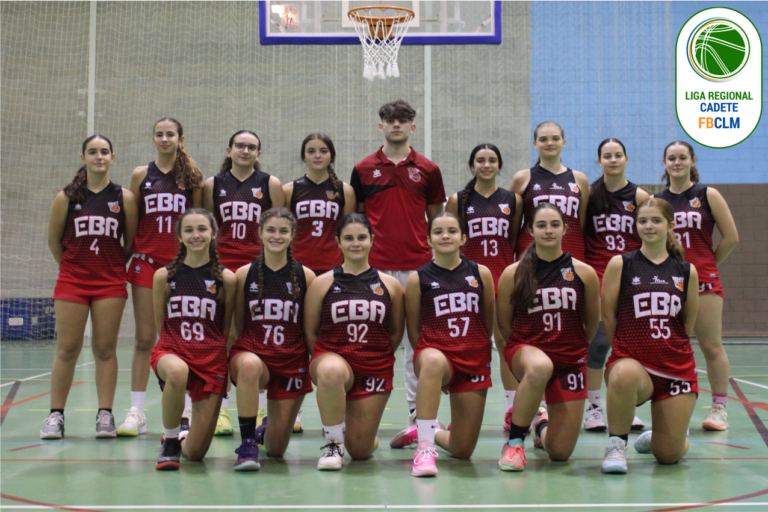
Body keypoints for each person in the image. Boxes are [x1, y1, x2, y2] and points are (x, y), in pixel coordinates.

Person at [351, 99, 445, 424]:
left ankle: (418, 417)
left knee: (415, 343)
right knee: (372, 343)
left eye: (403, 120)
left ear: (412, 127)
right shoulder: (363, 169)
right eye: (390, 120)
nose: (396, 125)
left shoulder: (429, 170)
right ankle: (360, 413)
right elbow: (357, 222)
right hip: (374, 271)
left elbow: (437, 221)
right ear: (381, 125)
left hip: (417, 269)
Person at [41, 135, 137, 439]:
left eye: (104, 152)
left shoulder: (124, 197)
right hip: (72, 280)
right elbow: (54, 241)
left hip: (110, 281)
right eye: (92, 152)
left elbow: (130, 242)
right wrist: (72, 266)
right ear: (83, 157)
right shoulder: (66, 197)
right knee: (67, 347)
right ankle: (55, 415)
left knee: (105, 348)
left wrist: (109, 267)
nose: (99, 156)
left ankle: (105, 414)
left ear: (113, 157)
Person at [389, 213, 496, 477]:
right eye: (438, 232)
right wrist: (429, 366)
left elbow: (488, 319)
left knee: (462, 449)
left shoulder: (480, 273)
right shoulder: (418, 278)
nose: (445, 236)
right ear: (428, 240)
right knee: (433, 361)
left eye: (451, 231)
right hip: (437, 355)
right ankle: (424, 449)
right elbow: (413, 328)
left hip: (472, 359)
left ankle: (428, 432)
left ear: (463, 238)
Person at [495, 202, 600, 472]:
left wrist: (572, 348)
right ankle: (514, 443)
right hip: (527, 350)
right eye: (541, 225)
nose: (548, 230)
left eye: (555, 224)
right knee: (540, 365)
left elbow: (591, 323)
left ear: (566, 228)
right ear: (531, 230)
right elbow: (504, 325)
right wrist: (523, 353)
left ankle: (540, 426)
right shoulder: (513, 273)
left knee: (560, 452)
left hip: (570, 360)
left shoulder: (584, 272)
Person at [600, 198, 699, 474]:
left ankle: (664, 438)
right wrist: (624, 349)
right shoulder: (621, 264)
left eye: (656, 220)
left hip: (675, 368)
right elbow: (608, 317)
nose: (648, 226)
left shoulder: (686, 270)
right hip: (634, 364)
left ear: (671, 225)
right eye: (642, 221)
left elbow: (687, 324)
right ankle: (617, 445)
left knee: (668, 456)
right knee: (623, 374)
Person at [118, 118, 203, 437]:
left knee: (183, 339)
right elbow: (133, 222)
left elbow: (201, 223)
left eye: (171, 134)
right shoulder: (141, 175)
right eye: (160, 134)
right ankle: (136, 411)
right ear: (153, 138)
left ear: (181, 138)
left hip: (182, 268)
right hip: (146, 264)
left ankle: (187, 411)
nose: (165, 138)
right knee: (144, 339)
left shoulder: (193, 178)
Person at [304, 214, 405, 470]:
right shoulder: (323, 282)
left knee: (360, 451)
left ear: (372, 240)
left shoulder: (390, 285)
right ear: (338, 242)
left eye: (361, 237)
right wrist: (327, 360)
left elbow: (394, 334)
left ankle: (350, 426)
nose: (355, 243)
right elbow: (310, 331)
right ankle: (333, 444)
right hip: (332, 358)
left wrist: (375, 356)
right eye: (348, 238)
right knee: (331, 370)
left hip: (374, 366)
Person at [203, 130, 284, 436]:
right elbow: (205, 227)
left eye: (252, 147)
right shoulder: (213, 185)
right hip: (222, 268)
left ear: (258, 153)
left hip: (257, 269)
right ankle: (221, 409)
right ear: (229, 149)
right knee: (222, 337)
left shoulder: (270, 184)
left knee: (255, 335)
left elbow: (279, 227)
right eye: (240, 145)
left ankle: (260, 406)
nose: (245, 150)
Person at [654, 141, 738, 431]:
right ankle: (667, 406)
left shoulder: (707, 194)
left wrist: (708, 263)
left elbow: (731, 236)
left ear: (692, 160)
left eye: (682, 157)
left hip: (703, 279)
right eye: (671, 158)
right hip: (667, 282)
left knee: (711, 345)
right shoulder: (659, 201)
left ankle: (719, 409)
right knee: (667, 346)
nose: (677, 162)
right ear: (664, 163)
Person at [229, 208, 316, 471]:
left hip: (290, 362)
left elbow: (308, 328)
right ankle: (247, 444)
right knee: (248, 366)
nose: (276, 236)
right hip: (254, 354)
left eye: (283, 231)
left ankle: (266, 427)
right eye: (271, 230)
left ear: (292, 236)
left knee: (277, 450)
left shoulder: (306, 276)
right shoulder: (243, 275)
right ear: (260, 233)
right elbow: (237, 325)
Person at [151, 209, 237, 470]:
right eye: (188, 230)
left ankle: (186, 438)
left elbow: (225, 329)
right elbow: (161, 325)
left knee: (197, 454)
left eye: (202, 229)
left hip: (211, 358)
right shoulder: (163, 276)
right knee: (176, 371)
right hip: (172, 350)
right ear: (179, 236)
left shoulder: (226, 278)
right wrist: (170, 352)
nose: (196, 235)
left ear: (213, 234)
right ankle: (170, 440)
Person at [446, 144, 522, 431]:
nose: (486, 164)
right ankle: (461, 413)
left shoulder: (513, 200)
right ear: (472, 165)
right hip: (468, 283)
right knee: (468, 347)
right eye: (480, 160)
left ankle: (513, 409)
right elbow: (451, 241)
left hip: (502, 280)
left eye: (492, 160)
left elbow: (512, 240)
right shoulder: (458, 200)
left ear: (500, 166)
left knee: (505, 344)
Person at [583, 138, 650, 432]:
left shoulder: (639, 196)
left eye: (617, 155)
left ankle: (623, 406)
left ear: (626, 159)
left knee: (630, 344)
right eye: (606, 156)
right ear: (599, 161)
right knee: (598, 344)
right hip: (598, 274)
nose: (612, 159)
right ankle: (594, 408)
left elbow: (651, 234)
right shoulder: (590, 195)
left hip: (631, 276)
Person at [510, 121, 588, 261]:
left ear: (564, 142)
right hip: (531, 253)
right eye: (543, 139)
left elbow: (580, 223)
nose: (549, 143)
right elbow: (512, 226)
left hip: (571, 250)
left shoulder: (580, 179)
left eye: (555, 138)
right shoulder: (522, 178)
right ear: (535, 144)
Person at [285, 133, 356, 275]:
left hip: (333, 265)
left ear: (331, 156)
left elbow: (348, 232)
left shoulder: (345, 191)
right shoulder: (289, 190)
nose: (317, 155)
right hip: (297, 266)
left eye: (323, 151)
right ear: (304, 157)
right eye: (311, 151)